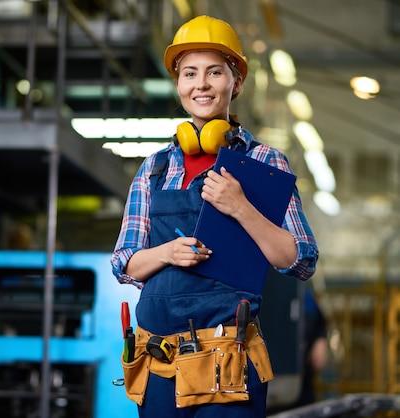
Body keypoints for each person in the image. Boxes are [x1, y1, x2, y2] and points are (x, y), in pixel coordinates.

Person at [111, 15, 319, 418]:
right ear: (178, 84)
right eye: (189, 73)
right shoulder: (153, 169)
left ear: (235, 81)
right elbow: (125, 264)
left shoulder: (263, 162)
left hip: (229, 364)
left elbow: (300, 259)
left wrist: (241, 207)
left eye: (214, 72)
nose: (201, 84)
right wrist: (168, 252)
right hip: (159, 364)